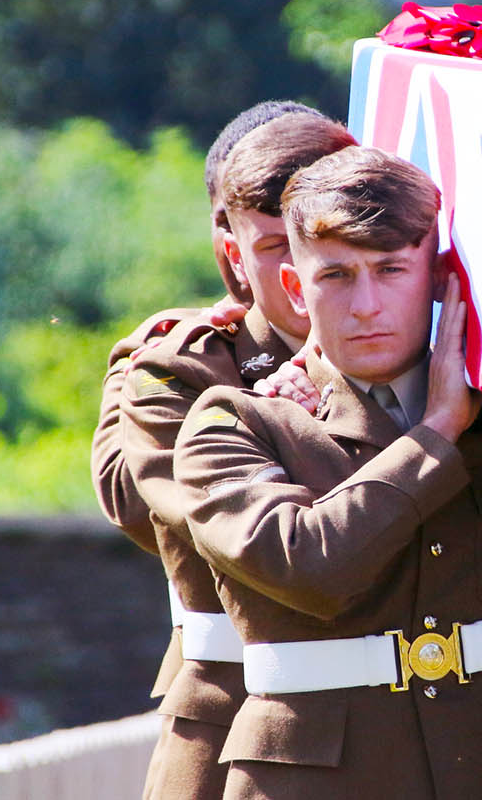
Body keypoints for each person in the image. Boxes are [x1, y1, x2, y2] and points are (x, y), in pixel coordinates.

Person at [173, 146, 482, 799]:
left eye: (391, 269)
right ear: (296, 289)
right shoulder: (236, 423)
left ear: (441, 276)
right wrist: (437, 431)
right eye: (337, 275)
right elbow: (312, 567)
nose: (366, 304)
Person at [116, 108, 357, 799]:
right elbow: (160, 512)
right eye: (279, 245)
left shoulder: (423, 365)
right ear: (232, 252)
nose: (305, 267)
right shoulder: (185, 369)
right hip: (239, 726)